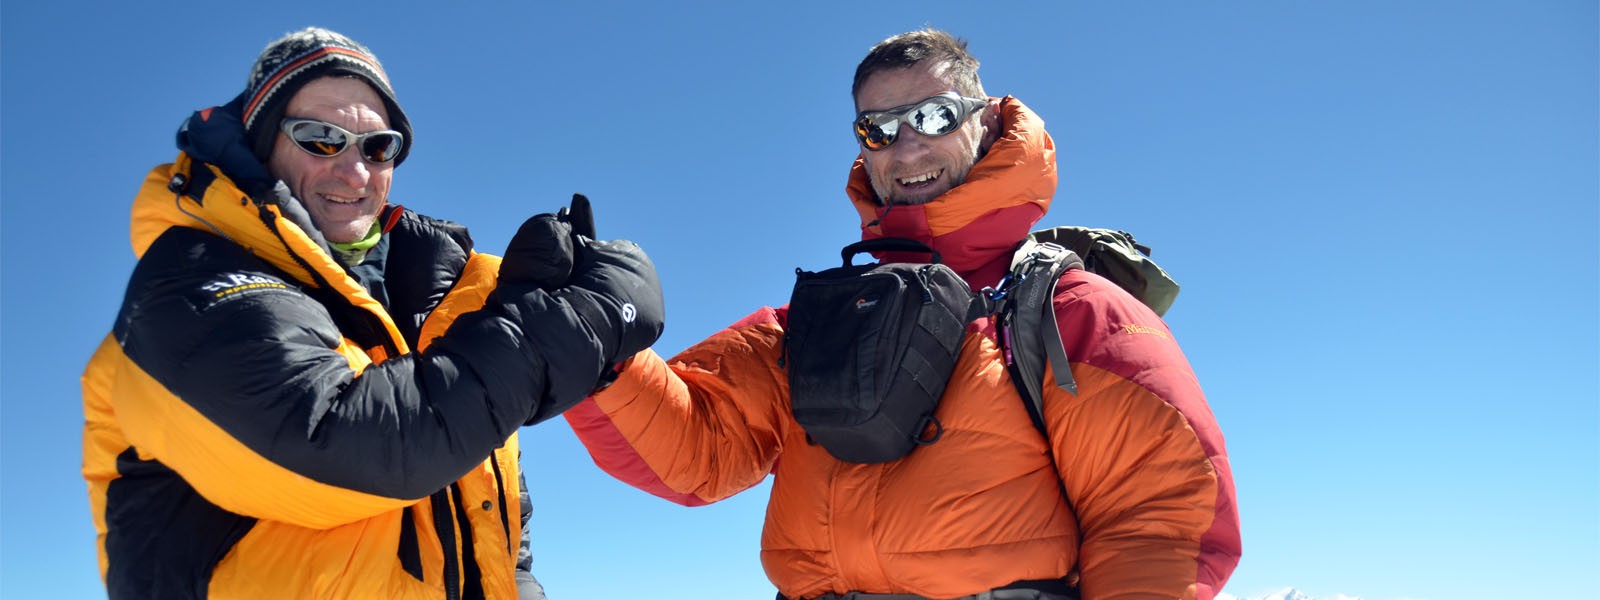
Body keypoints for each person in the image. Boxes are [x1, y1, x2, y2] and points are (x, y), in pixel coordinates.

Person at [565, 28, 1240, 600]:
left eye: (935, 117)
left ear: (984, 118)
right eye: (878, 129)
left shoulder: (1071, 311)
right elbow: (695, 452)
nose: (907, 147)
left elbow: (1160, 520)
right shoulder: (810, 325)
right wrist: (595, 344)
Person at [81, 27, 662, 600]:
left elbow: (493, 519)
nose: (354, 171)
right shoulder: (189, 285)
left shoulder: (434, 304)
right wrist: (566, 327)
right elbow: (354, 442)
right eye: (318, 137)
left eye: (377, 146)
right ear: (262, 145)